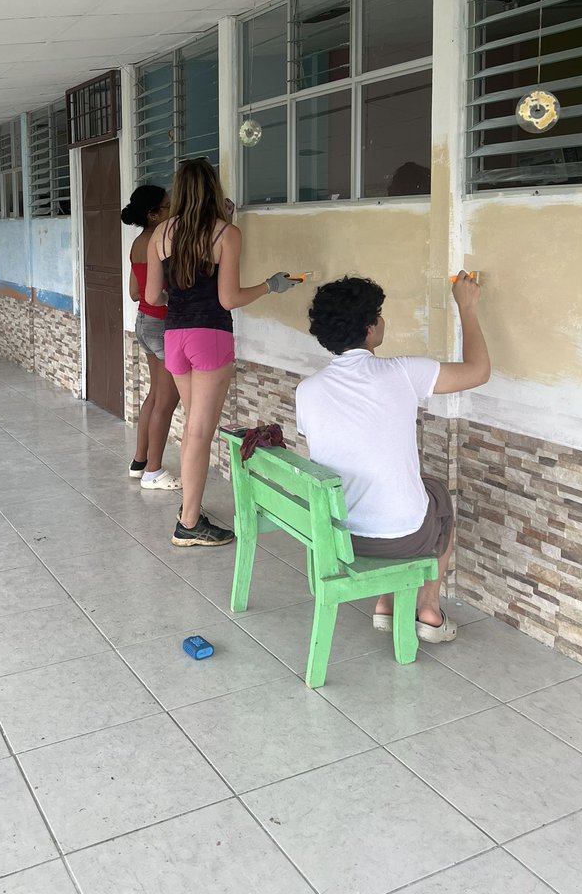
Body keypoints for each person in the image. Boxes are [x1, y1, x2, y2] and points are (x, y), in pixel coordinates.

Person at [295, 272, 490, 642]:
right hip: (399, 538)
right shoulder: (401, 372)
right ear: (371, 328)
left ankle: (387, 602)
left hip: (338, 538)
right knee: (438, 497)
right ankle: (429, 609)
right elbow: (478, 372)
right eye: (379, 314)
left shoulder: (308, 390)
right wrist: (467, 307)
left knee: (412, 489)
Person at [146, 158, 300, 546]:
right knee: (200, 432)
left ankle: (189, 510)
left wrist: (180, 287)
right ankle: (190, 523)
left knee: (193, 430)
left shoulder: (160, 233)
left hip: (174, 337)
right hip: (209, 336)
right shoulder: (226, 235)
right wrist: (270, 285)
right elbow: (228, 298)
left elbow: (151, 296)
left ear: (178, 191)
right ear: (214, 189)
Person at [121, 185, 182, 491]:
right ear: (153, 214)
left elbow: (135, 293)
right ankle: (154, 472)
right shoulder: (161, 242)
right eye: (168, 206)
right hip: (162, 324)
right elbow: (154, 294)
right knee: (167, 399)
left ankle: (139, 461)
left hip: (144, 323)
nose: (173, 211)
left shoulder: (136, 244)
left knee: (155, 395)